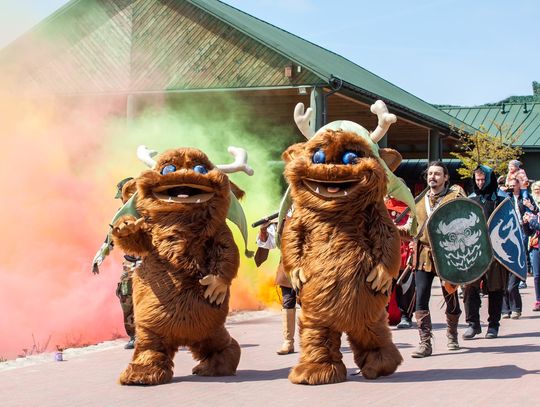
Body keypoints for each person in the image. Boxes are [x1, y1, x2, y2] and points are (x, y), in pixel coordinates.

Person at [410, 161, 465, 358]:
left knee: (450, 297)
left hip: (447, 255)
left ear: (446, 177)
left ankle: (452, 333)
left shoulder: (455, 197)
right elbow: (412, 228)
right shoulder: (418, 201)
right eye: (430, 174)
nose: (433, 177)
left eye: (437, 174)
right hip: (423, 255)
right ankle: (425, 343)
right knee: (421, 297)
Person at [462, 165, 507, 339]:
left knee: (495, 288)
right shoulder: (471, 199)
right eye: (477, 180)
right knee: (470, 287)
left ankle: (493, 325)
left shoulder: (501, 199)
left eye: (483, 179)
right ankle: (473, 324)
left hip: (495, 251)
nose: (480, 183)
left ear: (489, 178)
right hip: (473, 251)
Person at [254, 215, 298, 355]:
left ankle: (319, 342)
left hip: (310, 269)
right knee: (287, 303)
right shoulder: (282, 221)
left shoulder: (311, 216)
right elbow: (269, 244)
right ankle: (288, 342)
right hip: (287, 270)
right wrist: (263, 230)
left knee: (313, 307)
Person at [114, 177, 140, 349]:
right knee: (125, 297)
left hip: (150, 263)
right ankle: (134, 335)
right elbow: (111, 235)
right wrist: (100, 255)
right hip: (129, 264)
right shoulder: (120, 213)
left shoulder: (151, 211)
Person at [385, 195, 415, 329]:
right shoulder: (381, 206)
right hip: (387, 253)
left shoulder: (411, 208)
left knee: (406, 287)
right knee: (383, 288)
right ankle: (381, 316)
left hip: (405, 253)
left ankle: (406, 316)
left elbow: (414, 231)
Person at [501, 177, 529, 319]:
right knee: (503, 282)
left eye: (514, 185)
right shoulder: (504, 199)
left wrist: (529, 210)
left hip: (520, 237)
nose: (511, 188)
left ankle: (516, 308)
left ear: (519, 186)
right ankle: (505, 310)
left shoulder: (525, 197)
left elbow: (534, 211)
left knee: (512, 285)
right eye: (509, 186)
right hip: (504, 242)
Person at [523, 180, 540, 311]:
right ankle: (538, 300)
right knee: (537, 275)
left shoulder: (534, 210)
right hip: (535, 245)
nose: (537, 194)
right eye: (535, 191)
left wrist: (532, 220)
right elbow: (529, 232)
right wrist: (525, 223)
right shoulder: (531, 208)